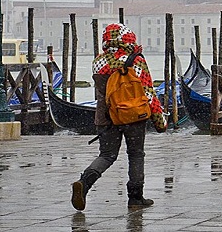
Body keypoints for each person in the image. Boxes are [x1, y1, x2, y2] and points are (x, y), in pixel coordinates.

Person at [71, 23, 167, 211]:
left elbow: (103, 91)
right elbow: (148, 92)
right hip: (134, 116)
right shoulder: (136, 60)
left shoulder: (98, 62)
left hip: (106, 117)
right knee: (136, 155)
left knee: (107, 155)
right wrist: (159, 119)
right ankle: (135, 198)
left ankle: (84, 183)